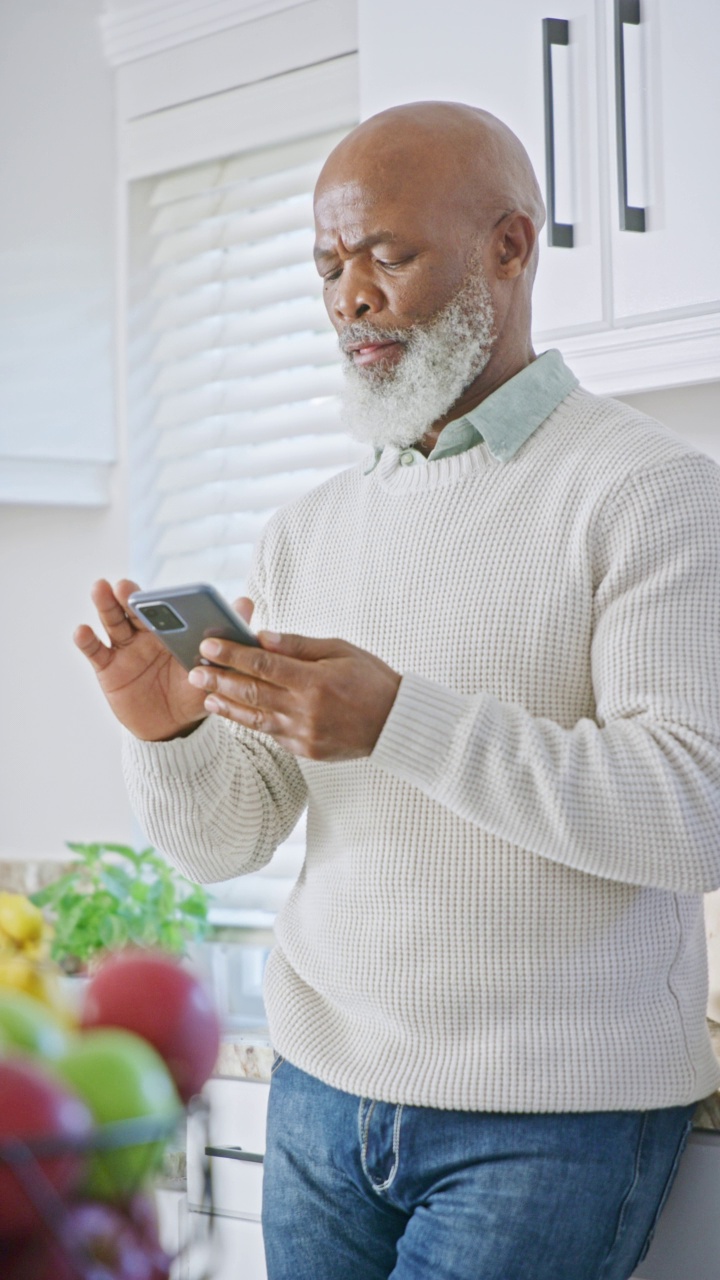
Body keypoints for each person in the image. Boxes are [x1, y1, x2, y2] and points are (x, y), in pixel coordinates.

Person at [75, 102, 720, 1280]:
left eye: (388, 253)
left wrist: (401, 722)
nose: (348, 296)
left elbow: (691, 813)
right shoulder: (307, 528)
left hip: (546, 1118)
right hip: (320, 1094)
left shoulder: (655, 494)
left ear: (510, 247)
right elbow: (232, 838)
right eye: (328, 262)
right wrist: (164, 730)